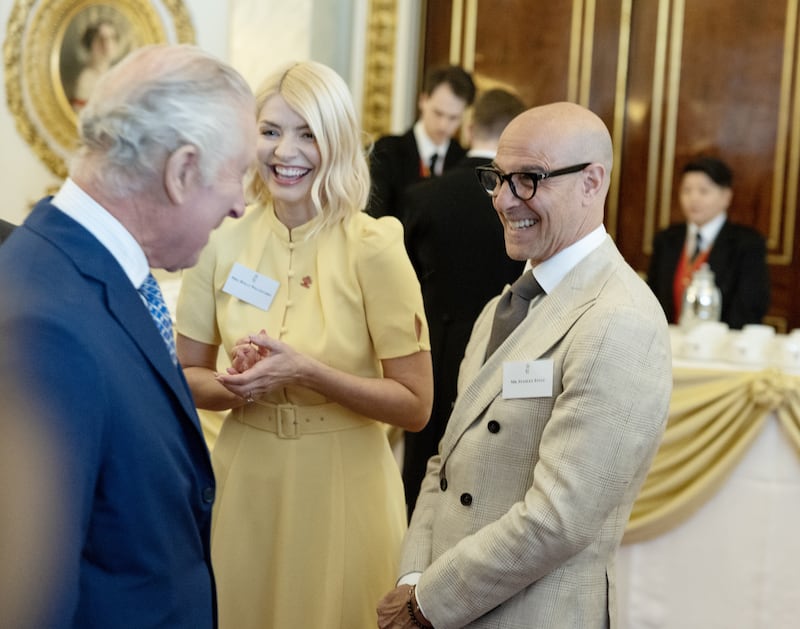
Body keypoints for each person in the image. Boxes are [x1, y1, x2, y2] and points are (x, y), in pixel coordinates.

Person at [377, 102, 673, 628]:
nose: (503, 199)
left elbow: (561, 518)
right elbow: (445, 465)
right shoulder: (501, 307)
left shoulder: (619, 318)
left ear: (591, 182)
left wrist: (429, 603)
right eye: (498, 177)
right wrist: (411, 579)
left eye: (529, 180)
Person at [0, 44, 256, 628]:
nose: (242, 204)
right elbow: (29, 596)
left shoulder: (89, 275)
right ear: (182, 170)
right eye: (238, 174)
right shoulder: (47, 327)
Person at [175, 60, 433, 629]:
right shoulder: (220, 239)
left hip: (345, 483)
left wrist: (308, 373)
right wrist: (235, 383)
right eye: (270, 131)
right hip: (247, 479)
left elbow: (416, 407)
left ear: (335, 141)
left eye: (307, 132)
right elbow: (186, 377)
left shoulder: (375, 245)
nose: (284, 151)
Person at [399, 88, 526, 518]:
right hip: (506, 353)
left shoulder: (423, 197)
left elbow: (402, 282)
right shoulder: (527, 203)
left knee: (422, 471)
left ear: (470, 128)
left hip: (433, 350)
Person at [647, 155, 770, 329]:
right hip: (669, 341)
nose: (693, 198)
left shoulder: (747, 243)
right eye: (686, 190)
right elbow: (651, 297)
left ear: (726, 197)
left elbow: (750, 306)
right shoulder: (666, 239)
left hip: (721, 346)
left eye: (703, 191)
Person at [367, 64, 476, 219]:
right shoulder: (388, 151)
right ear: (423, 100)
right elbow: (376, 212)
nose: (443, 125)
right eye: (438, 113)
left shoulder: (463, 160)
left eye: (454, 118)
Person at [71, 20, 120, 111]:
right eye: (101, 39)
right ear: (90, 44)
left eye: (112, 38)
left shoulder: (115, 74)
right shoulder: (86, 80)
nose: (107, 45)